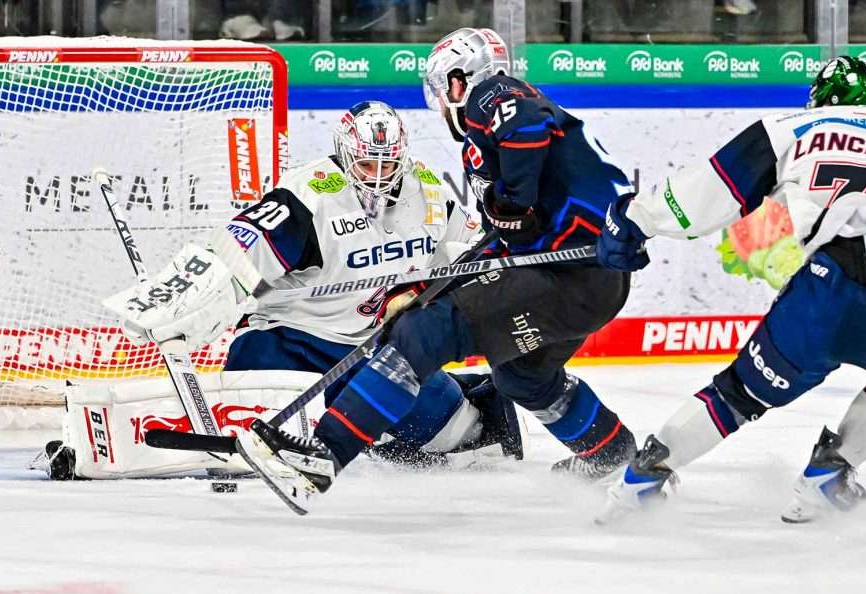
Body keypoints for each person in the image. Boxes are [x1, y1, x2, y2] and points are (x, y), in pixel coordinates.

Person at [231, 27, 638, 514]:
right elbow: (511, 225)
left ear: (458, 81)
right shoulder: (506, 126)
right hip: (596, 282)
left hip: (561, 271)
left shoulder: (493, 94)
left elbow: (524, 128)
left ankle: (327, 454)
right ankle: (611, 452)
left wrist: (514, 200)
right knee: (521, 377)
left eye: (445, 90)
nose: (444, 104)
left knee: (420, 332)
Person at [596, 55, 866, 523]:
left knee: (737, 395)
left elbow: (701, 196)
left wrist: (635, 221)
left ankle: (643, 481)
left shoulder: (794, 128)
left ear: (823, 96)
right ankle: (830, 474)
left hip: (822, 297)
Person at [53, 101, 521, 481]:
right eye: (366, 161)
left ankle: (471, 397)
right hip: (288, 336)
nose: (378, 173)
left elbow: (468, 252)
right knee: (248, 415)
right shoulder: (309, 195)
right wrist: (180, 302)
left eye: (388, 161)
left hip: (373, 345)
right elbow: (235, 254)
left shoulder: (429, 190)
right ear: (343, 153)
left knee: (456, 433)